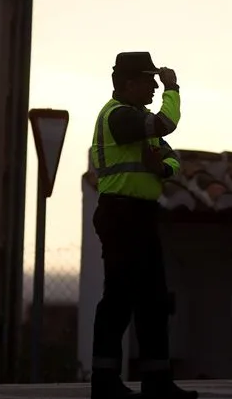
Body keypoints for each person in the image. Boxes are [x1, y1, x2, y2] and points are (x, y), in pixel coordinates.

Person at [88, 52, 198, 399]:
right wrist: (173, 88)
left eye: (156, 81)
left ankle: (157, 381)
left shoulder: (138, 119)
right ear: (128, 83)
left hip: (140, 216)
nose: (153, 86)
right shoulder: (120, 117)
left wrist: (161, 168)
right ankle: (104, 381)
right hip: (121, 215)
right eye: (149, 80)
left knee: (153, 301)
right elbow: (166, 126)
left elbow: (172, 158)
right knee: (118, 299)